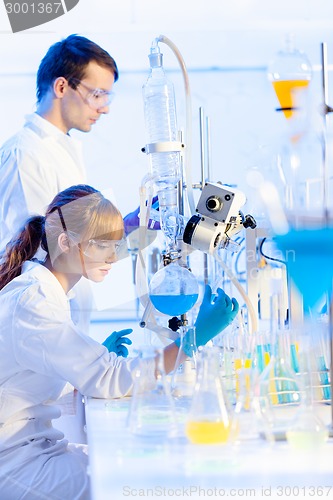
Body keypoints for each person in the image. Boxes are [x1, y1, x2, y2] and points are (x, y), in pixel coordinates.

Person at [0, 184, 239, 499]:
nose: (113, 256)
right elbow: (108, 379)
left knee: (135, 469)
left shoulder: (40, 290)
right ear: (65, 242)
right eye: (102, 245)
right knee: (132, 485)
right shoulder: (35, 300)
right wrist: (194, 338)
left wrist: (92, 356)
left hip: (33, 449)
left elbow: (24, 377)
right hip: (16, 464)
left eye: (115, 244)